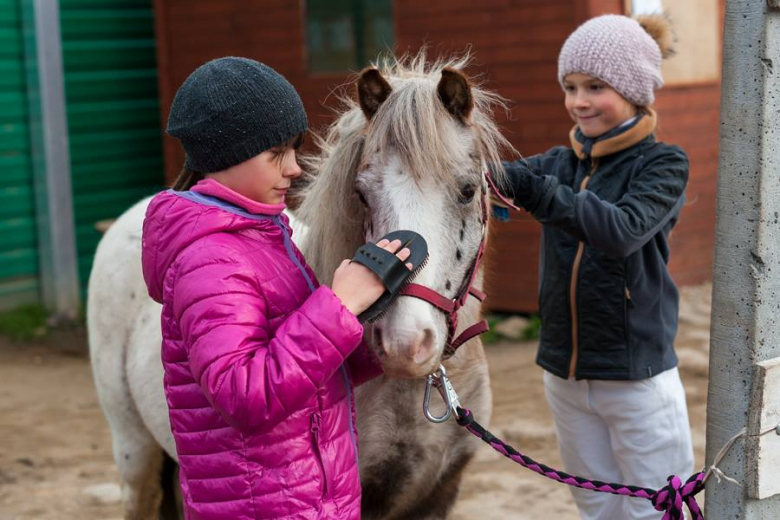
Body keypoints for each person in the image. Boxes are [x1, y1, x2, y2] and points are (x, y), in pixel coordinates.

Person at [141, 57, 410, 519]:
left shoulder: (264, 237)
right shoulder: (209, 260)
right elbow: (246, 394)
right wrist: (339, 305)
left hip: (310, 501)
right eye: (276, 154)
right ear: (226, 155)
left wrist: (378, 339)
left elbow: (308, 374)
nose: (294, 169)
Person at [497, 14, 694, 519]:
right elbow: (489, 179)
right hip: (562, 374)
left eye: (595, 86)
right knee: (595, 508)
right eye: (570, 86)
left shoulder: (664, 164)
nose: (579, 101)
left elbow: (622, 231)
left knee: (657, 510)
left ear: (634, 91)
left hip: (636, 378)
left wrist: (539, 194)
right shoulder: (559, 163)